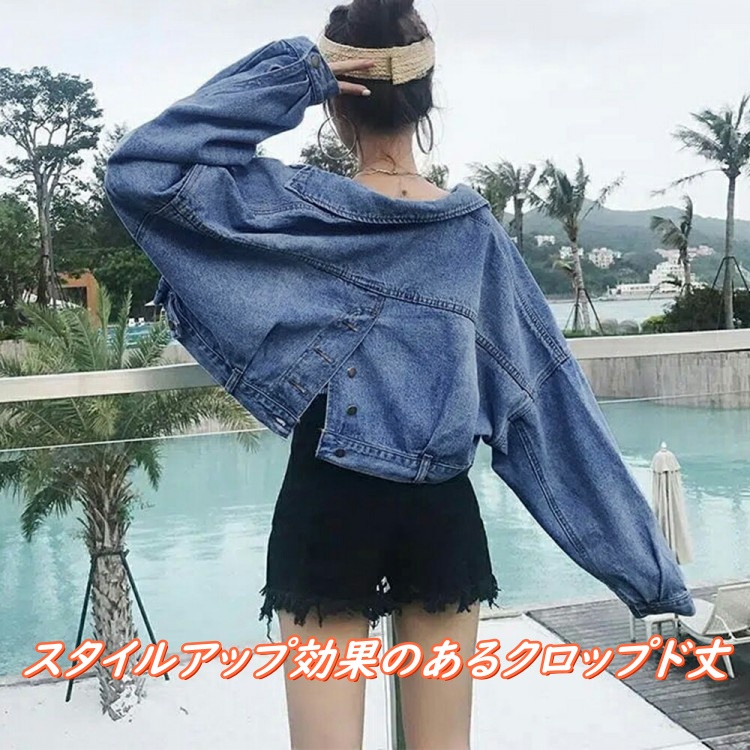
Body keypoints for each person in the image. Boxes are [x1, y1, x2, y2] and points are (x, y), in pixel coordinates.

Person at [104, 1, 695, 747]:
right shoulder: (473, 238)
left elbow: (143, 170)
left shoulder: (292, 211)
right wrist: (651, 580)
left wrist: (296, 73)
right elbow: (549, 411)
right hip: (438, 516)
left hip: (326, 509)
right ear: (426, 101)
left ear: (336, 107)